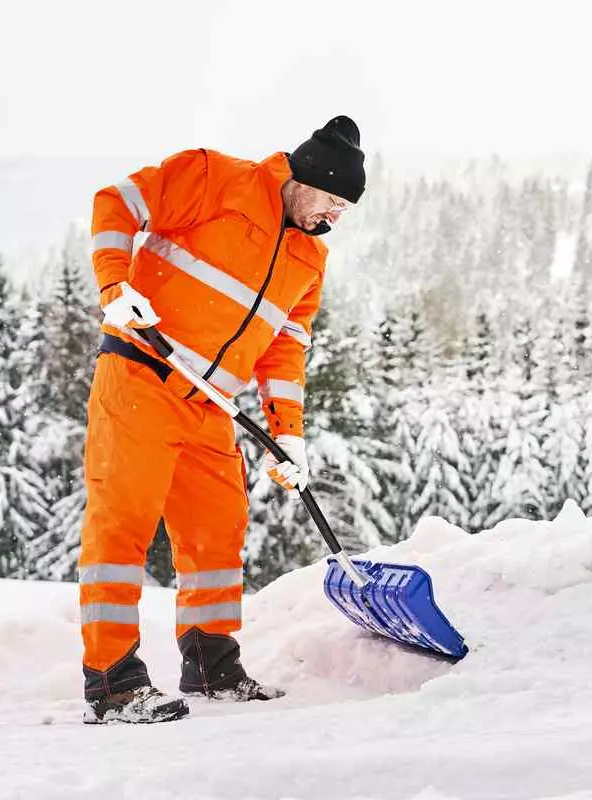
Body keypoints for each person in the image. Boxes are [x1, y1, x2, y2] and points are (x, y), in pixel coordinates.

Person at [79, 116, 365, 724]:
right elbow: (117, 204)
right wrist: (114, 287)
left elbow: (286, 345)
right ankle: (111, 678)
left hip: (211, 401)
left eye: (345, 208)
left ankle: (210, 660)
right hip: (142, 373)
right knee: (122, 523)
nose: (334, 216)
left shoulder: (309, 257)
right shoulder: (215, 177)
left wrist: (287, 429)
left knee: (218, 531)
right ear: (305, 179)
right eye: (333, 201)